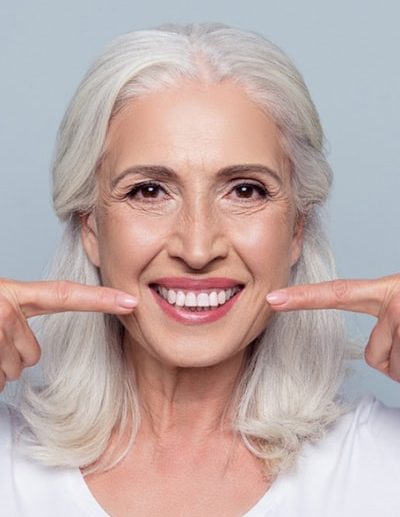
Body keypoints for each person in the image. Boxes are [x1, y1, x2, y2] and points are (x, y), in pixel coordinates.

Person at [1, 22, 400, 517]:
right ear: (90, 227)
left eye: (245, 190)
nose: (196, 247)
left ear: (297, 228)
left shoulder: (385, 468)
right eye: (148, 191)